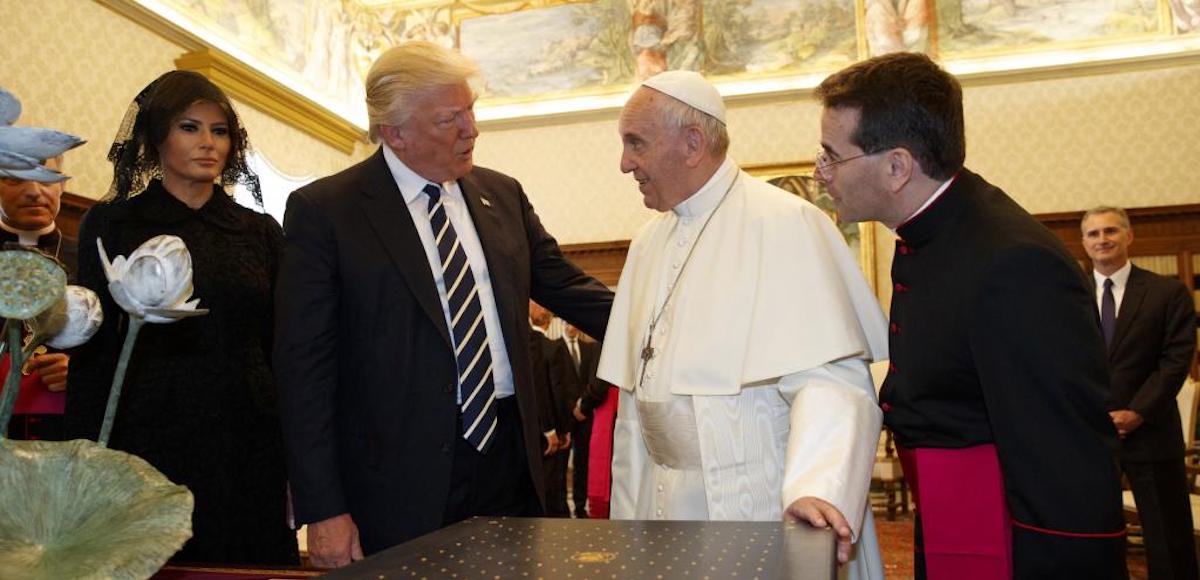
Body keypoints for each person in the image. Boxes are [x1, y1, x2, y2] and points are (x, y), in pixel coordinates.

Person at [273, 40, 614, 569]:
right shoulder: (327, 212)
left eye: (471, 110)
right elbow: (304, 371)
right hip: (394, 483)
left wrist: (669, 317)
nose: (471, 129)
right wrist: (324, 508)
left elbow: (570, 290)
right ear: (395, 131)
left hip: (508, 461)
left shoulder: (501, 196)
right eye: (450, 118)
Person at [814, 52, 1127, 579]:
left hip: (1011, 540)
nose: (821, 174)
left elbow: (1062, 463)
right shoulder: (927, 230)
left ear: (897, 166)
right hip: (954, 513)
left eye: (832, 156)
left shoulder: (1014, 263)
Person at [598, 70, 889, 579]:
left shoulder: (786, 224)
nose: (625, 164)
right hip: (661, 499)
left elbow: (834, 384)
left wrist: (815, 489)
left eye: (635, 143)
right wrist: (627, 523)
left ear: (692, 143)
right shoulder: (647, 243)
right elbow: (632, 409)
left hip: (760, 499)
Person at [64, 70, 298, 565]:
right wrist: (82, 459)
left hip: (247, 434)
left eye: (220, 131)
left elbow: (281, 344)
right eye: (190, 128)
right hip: (146, 429)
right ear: (156, 136)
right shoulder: (113, 224)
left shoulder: (258, 232)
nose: (208, 143)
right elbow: (95, 345)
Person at [1081, 205, 1199, 579]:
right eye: (1094, 233)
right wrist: (1091, 413)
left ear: (1129, 236)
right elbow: (1059, 361)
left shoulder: (1168, 292)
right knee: (1092, 535)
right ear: (1084, 243)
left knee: (1168, 537)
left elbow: (1176, 359)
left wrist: (1138, 412)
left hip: (1151, 432)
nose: (1103, 239)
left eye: (1111, 231)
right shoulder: (1068, 297)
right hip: (1089, 435)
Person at [1, 154, 76, 440]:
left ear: (63, 186)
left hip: (61, 432)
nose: (34, 191)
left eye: (47, 178)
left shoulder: (92, 258)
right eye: (14, 178)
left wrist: (78, 372)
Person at [528, 301, 574, 517]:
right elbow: (555, 393)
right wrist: (559, 430)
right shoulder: (551, 347)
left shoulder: (522, 345)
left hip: (529, 429)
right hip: (549, 432)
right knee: (553, 487)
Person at [565, 322, 601, 518]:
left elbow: (592, 380)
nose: (571, 327)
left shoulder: (589, 348)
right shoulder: (556, 346)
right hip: (567, 415)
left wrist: (583, 406)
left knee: (584, 461)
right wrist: (572, 407)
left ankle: (581, 504)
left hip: (587, 415)